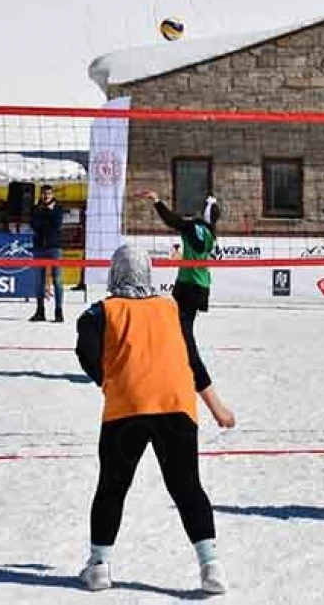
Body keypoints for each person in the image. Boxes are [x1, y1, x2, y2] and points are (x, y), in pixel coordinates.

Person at [74, 244, 235, 594]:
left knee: (112, 488)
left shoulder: (100, 311)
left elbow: (84, 348)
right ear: (149, 272)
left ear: (115, 273)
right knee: (187, 488)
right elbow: (193, 360)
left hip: (126, 406)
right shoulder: (171, 308)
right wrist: (216, 406)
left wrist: (107, 377)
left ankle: (99, 566)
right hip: (176, 405)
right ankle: (212, 567)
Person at [135, 189, 220, 394]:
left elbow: (171, 219)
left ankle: (194, 371)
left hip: (189, 285)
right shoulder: (210, 232)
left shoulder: (192, 227)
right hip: (197, 285)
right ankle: (177, 366)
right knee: (176, 327)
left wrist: (157, 201)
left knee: (183, 331)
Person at [29, 184, 65, 322]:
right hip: (39, 247)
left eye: (48, 194)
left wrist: (47, 215)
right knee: (39, 281)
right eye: (44, 194)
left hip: (54, 247)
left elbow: (55, 224)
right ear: (40, 194)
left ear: (52, 194)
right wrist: (46, 216)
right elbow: (35, 225)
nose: (46, 196)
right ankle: (40, 310)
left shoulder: (58, 208)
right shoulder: (35, 208)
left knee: (57, 279)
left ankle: (58, 311)